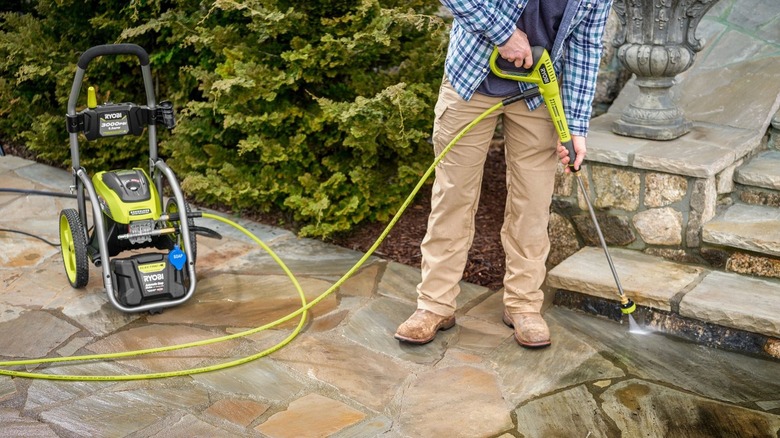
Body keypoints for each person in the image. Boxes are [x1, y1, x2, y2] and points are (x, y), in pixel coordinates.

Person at [394, 0, 613, 348]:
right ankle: (434, 305)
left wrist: (575, 127)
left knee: (533, 202)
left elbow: (585, 45)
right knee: (454, 196)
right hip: (473, 79)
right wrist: (504, 34)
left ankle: (523, 305)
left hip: (539, 90)